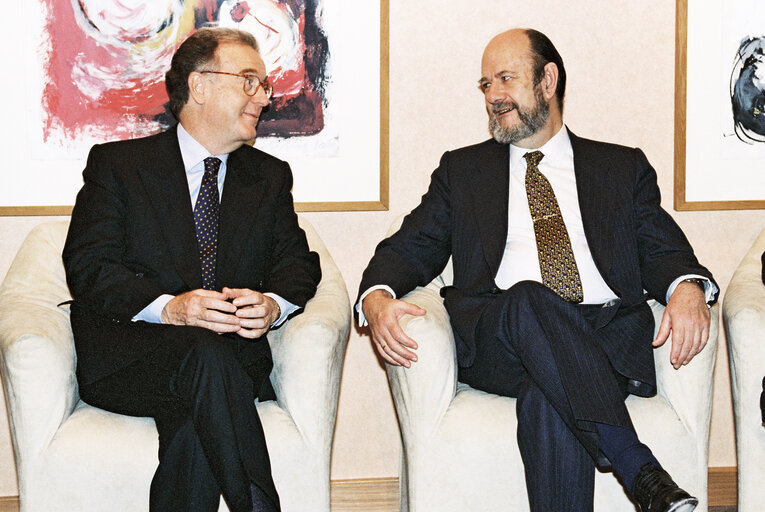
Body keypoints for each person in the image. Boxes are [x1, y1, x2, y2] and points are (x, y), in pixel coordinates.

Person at [357, 28, 718, 512]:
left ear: (548, 80)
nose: (493, 96)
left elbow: (663, 250)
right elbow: (409, 247)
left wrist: (687, 286)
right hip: (504, 335)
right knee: (530, 297)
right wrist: (376, 297)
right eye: (485, 85)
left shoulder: (621, 167)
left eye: (505, 78)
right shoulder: (462, 172)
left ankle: (639, 473)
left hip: (603, 334)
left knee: (548, 396)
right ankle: (640, 469)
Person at [63, 27, 321, 512]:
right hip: (133, 359)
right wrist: (172, 308)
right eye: (249, 80)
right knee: (208, 366)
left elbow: (298, 263)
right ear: (199, 86)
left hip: (226, 362)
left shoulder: (267, 178)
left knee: (200, 412)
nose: (262, 98)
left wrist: (272, 305)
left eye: (263, 85)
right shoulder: (118, 166)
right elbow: (89, 266)